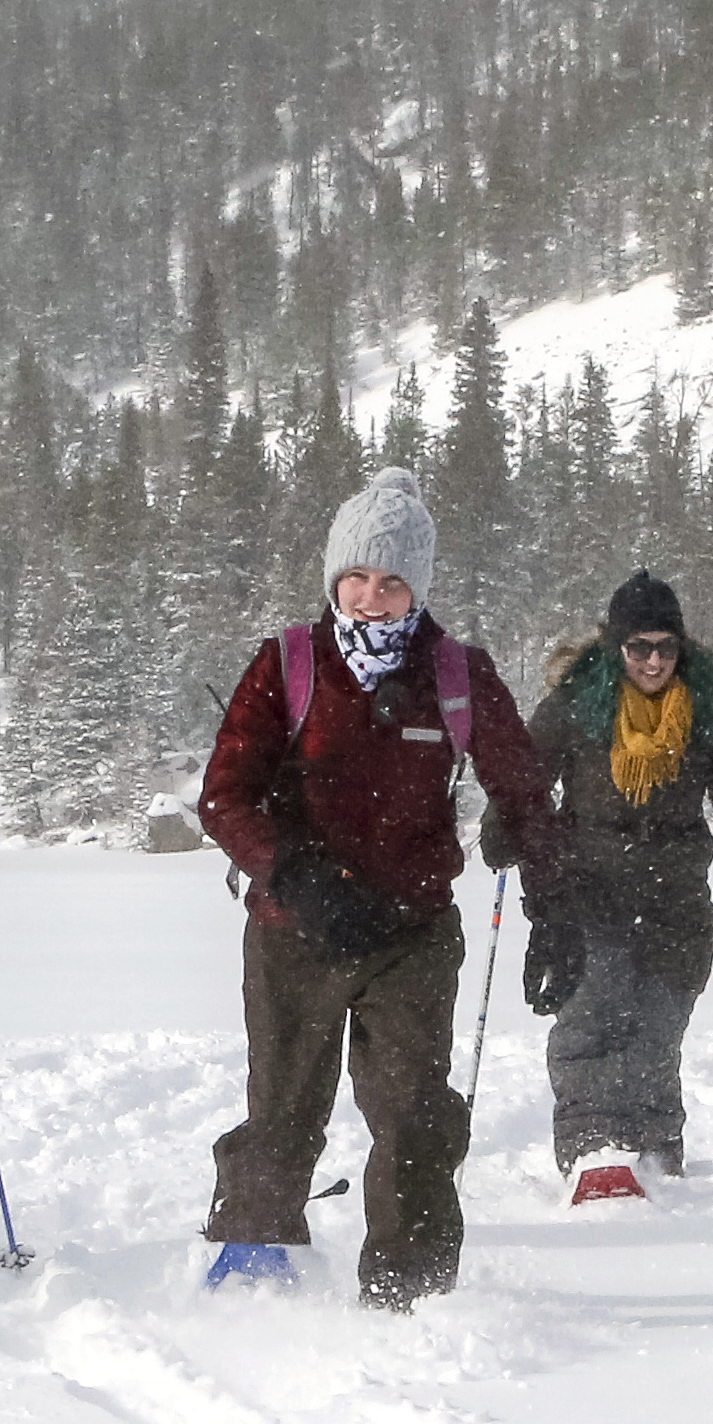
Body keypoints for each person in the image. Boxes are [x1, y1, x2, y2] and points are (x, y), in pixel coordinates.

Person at [194, 465, 559, 1308]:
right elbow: (225, 795)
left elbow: (527, 795)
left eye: (391, 582)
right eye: (356, 577)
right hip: (296, 925)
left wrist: (553, 907)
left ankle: (411, 1289)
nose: (370, 595)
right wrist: (297, 872)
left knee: (414, 1115)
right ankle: (252, 1259)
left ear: (417, 591)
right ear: (334, 579)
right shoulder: (289, 661)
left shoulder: (457, 674)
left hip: (413, 932)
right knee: (282, 1108)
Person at [498, 570, 713, 1192]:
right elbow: (525, 779)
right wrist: (506, 824)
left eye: (666, 648)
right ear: (615, 648)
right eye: (639, 648)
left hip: (675, 894)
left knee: (657, 1024)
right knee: (591, 1018)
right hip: (589, 888)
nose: (654, 661)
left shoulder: (702, 707)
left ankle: (653, 1150)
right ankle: (594, 1146)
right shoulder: (576, 704)